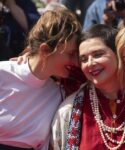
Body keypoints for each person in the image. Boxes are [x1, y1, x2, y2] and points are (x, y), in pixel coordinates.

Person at [51, 24, 125, 150]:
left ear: (117, 54)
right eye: (84, 59)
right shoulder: (69, 111)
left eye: (98, 54)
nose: (90, 63)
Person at [0, 9, 81, 150]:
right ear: (45, 50)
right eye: (71, 54)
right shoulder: (3, 74)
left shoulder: (60, 92)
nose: (76, 62)